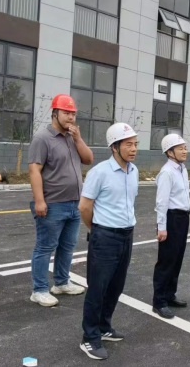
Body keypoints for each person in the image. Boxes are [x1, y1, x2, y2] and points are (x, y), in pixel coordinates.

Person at [79, 123, 139, 360]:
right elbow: (85, 207)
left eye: (135, 144)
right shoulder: (100, 172)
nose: (133, 149)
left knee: (116, 286)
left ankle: (104, 327)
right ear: (114, 147)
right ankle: (89, 337)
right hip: (105, 237)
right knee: (98, 288)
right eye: (128, 144)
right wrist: (97, 229)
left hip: (127, 235)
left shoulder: (133, 171)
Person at [28, 94, 93, 307]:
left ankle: (62, 283)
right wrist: (39, 201)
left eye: (73, 113)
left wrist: (78, 139)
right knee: (45, 247)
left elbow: (88, 159)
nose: (71, 117)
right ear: (54, 113)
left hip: (75, 203)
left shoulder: (72, 138)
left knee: (67, 246)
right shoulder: (42, 138)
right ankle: (39, 290)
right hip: (53, 204)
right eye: (66, 113)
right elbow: (34, 170)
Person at [152, 134, 190, 319]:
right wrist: (162, 227)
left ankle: (169, 294)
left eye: (185, 148)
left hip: (183, 218)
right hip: (171, 218)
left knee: (177, 259)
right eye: (180, 148)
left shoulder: (182, 169)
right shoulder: (167, 172)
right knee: (166, 261)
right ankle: (159, 301)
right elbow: (161, 202)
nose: (184, 151)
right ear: (169, 152)